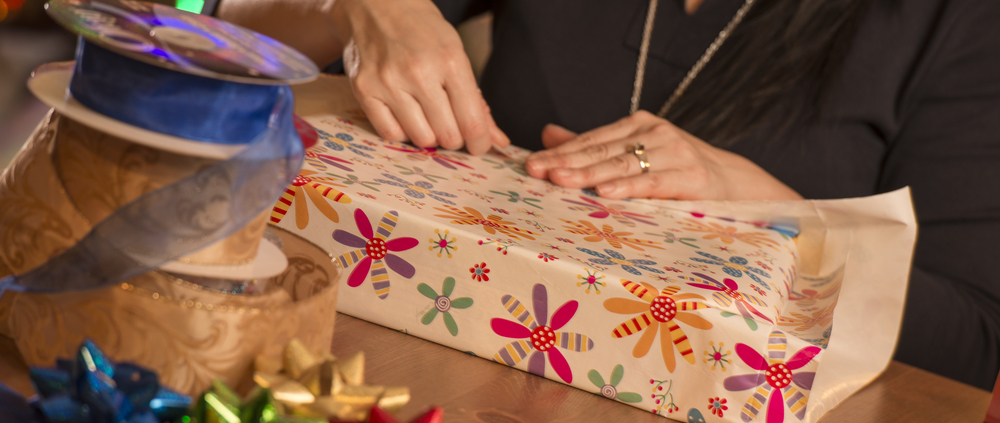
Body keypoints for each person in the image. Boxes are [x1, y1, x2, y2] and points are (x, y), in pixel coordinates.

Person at [209, 0, 1000, 390]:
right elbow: (228, 33)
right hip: (448, 351)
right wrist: (367, 2)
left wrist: (759, 199)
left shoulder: (959, 22)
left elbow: (973, 339)